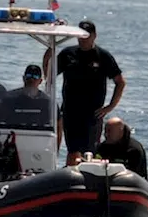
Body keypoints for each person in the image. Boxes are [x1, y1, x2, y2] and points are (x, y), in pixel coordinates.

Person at [44, 19, 125, 165]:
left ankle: (88, 181)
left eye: (87, 35)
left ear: (94, 36)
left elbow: (120, 82)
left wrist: (110, 107)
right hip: (70, 111)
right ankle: (69, 181)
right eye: (81, 35)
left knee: (90, 152)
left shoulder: (103, 56)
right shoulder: (68, 54)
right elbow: (49, 76)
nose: (83, 39)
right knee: (72, 151)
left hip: (93, 114)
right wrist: (49, 52)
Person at [0, 63, 55, 130]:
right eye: (28, 76)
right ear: (23, 78)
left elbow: (56, 124)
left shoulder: (47, 102)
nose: (31, 79)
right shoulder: (9, 98)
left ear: (40, 81)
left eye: (35, 77)